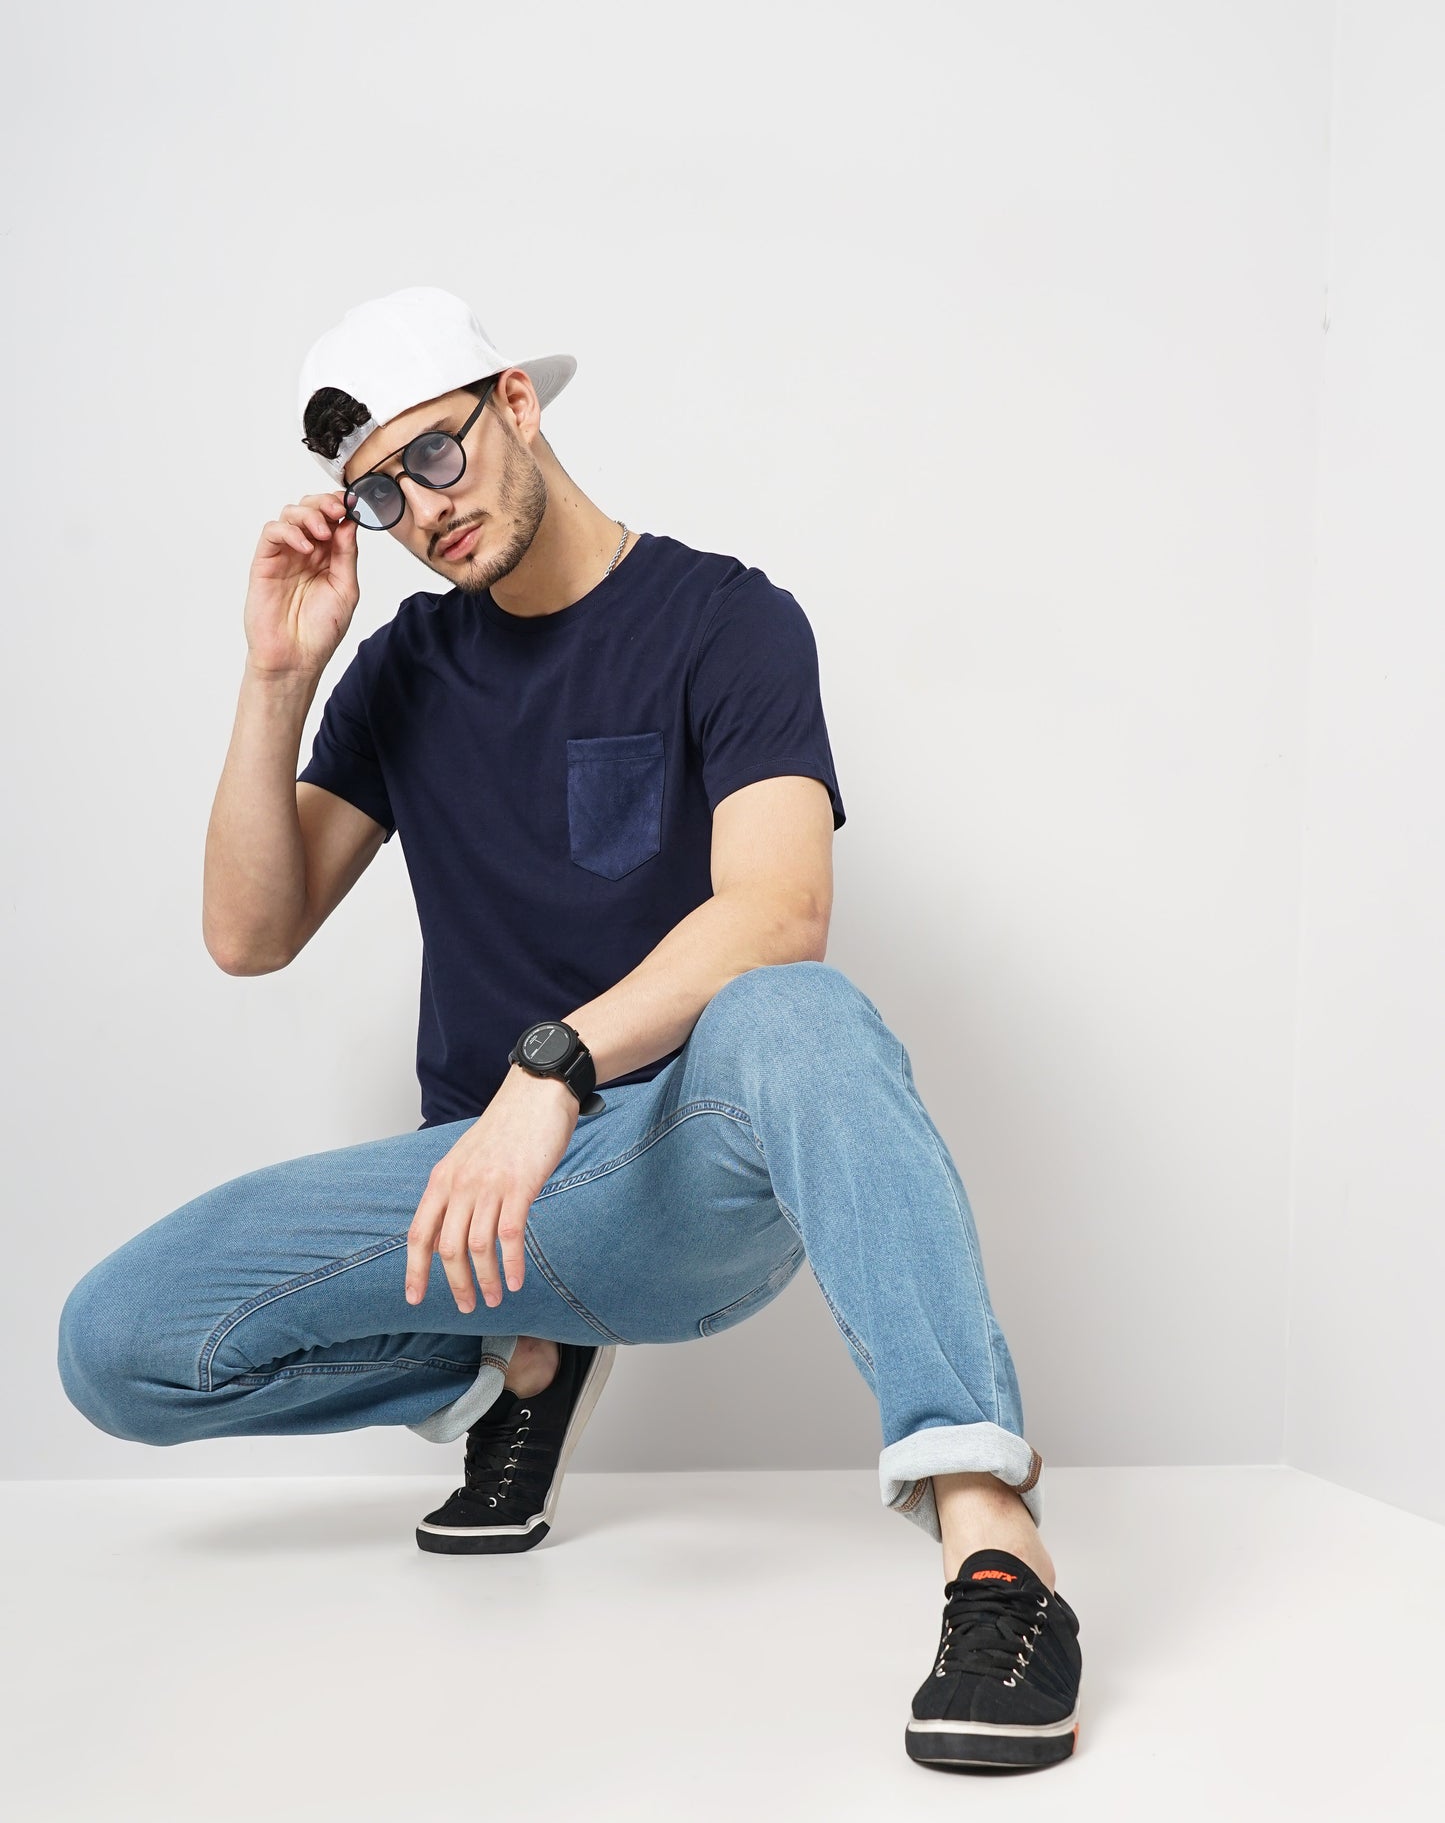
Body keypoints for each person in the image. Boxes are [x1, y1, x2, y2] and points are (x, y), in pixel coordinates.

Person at [57, 285, 1083, 1770]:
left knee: (799, 1010)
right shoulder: (405, 669)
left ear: (517, 406)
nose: (424, 509)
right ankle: (514, 1368)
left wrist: (553, 1067)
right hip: (490, 1208)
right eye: (381, 493)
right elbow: (248, 934)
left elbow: (779, 910)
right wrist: (279, 677)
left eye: (438, 454)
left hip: (683, 1167)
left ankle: (994, 1547)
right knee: (116, 1347)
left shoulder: (722, 619)